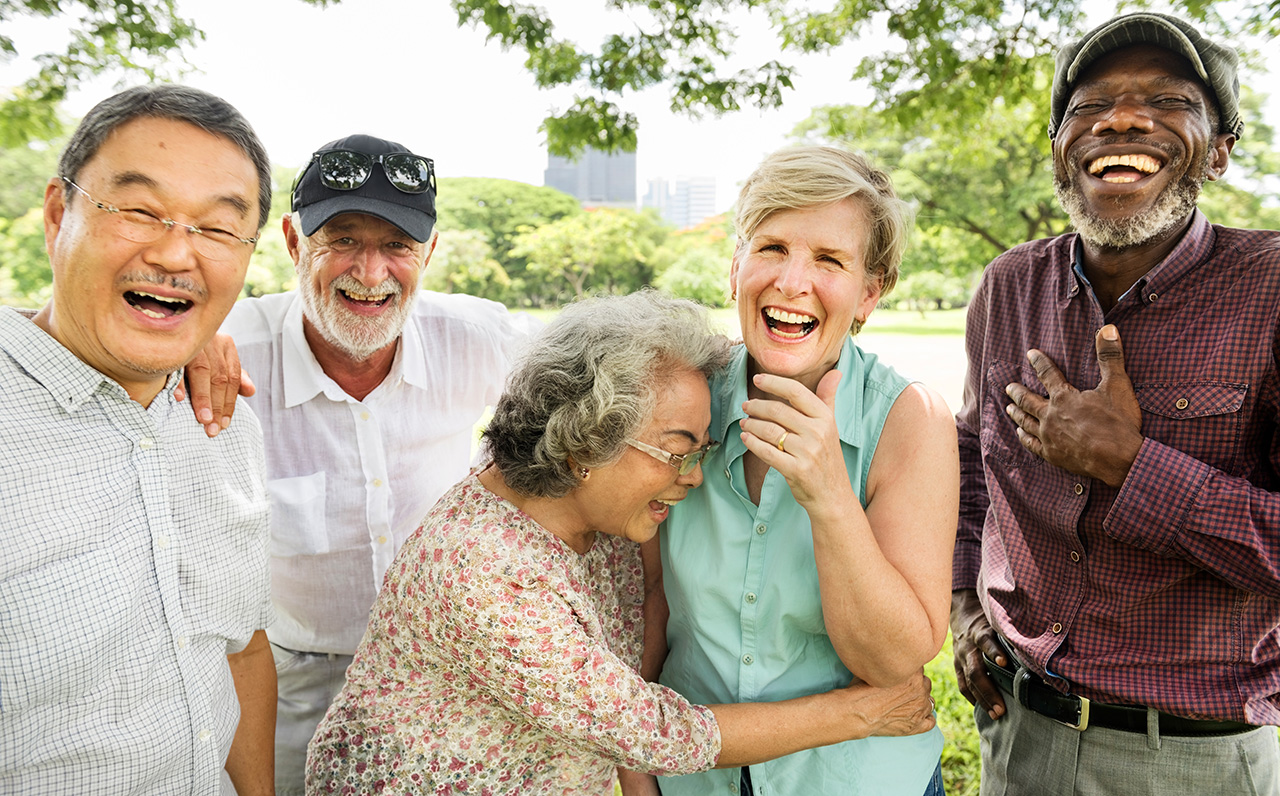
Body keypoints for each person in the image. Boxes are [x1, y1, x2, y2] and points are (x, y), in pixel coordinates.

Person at [305, 290, 939, 794]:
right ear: (586, 443)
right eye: (675, 453)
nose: (693, 478)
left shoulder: (594, 520)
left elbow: (638, 639)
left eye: (702, 451)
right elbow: (656, 730)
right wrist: (864, 713)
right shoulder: (483, 570)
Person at [949, 12, 1280, 795]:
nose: (1122, 118)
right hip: (1017, 731)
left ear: (1222, 151)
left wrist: (1131, 468)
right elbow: (970, 462)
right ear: (1060, 150)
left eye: (1167, 102)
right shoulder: (1008, 286)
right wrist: (964, 606)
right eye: (1089, 105)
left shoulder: (1271, 291)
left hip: (1197, 758)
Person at [186, 133, 534, 795]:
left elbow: (612, 364)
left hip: (444, 676)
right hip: (291, 684)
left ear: (429, 252)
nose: (369, 272)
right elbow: (77, 340)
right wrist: (179, 345)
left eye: (396, 246)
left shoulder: (477, 339)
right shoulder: (228, 350)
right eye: (342, 239)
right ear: (292, 243)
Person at [654, 146, 959, 796]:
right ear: (735, 270)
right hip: (693, 778)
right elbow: (642, 611)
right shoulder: (679, 400)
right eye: (771, 248)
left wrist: (828, 497)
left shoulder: (911, 420)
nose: (793, 282)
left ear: (871, 292)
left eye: (829, 260)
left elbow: (892, 661)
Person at [0, 85, 275, 794]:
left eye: (217, 229)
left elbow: (241, 649)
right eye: (141, 212)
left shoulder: (225, 420)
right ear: (59, 215)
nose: (177, 253)